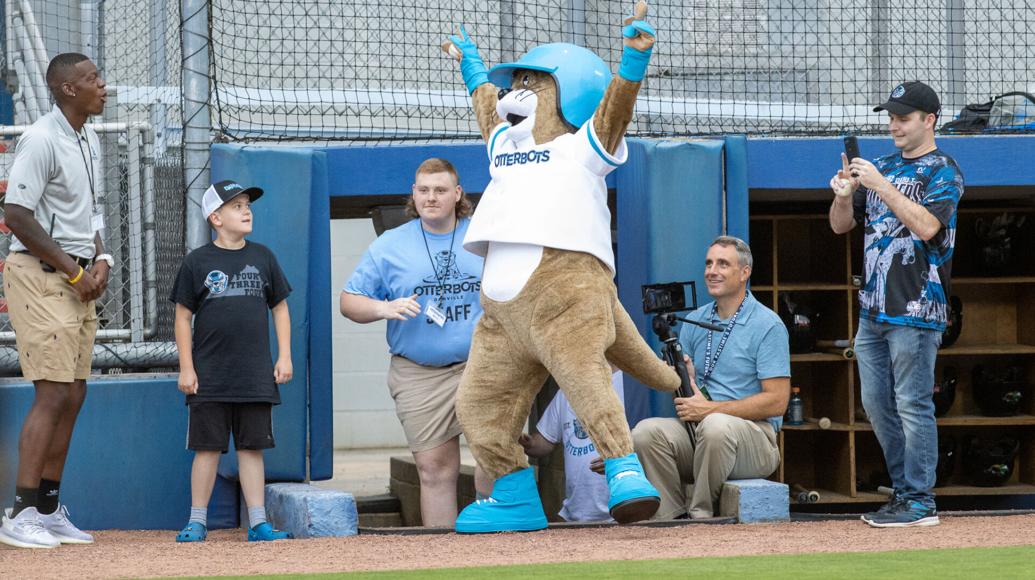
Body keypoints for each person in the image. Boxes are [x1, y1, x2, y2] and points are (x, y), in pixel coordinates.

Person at [829, 81, 963, 528]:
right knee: (876, 404)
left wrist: (882, 185)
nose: (894, 126)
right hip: (873, 310)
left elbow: (928, 228)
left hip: (918, 309)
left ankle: (920, 500)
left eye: (903, 118)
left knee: (912, 403)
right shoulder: (880, 166)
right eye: (891, 117)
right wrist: (843, 194)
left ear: (929, 120)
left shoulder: (944, 170)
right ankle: (904, 492)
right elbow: (840, 227)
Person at [0, 53, 112, 549]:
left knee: (74, 393)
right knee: (52, 393)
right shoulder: (41, 138)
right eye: (92, 80)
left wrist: (103, 259)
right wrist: (73, 272)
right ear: (68, 89)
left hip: (77, 277)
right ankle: (20, 512)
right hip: (42, 275)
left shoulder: (87, 137)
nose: (103, 86)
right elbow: (16, 214)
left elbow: (93, 215)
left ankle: (46, 509)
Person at [339, 158, 489, 527]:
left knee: (495, 458)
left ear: (457, 194)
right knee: (435, 469)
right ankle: (445, 560)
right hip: (420, 373)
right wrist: (382, 307)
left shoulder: (484, 236)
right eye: (423, 190)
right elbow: (349, 301)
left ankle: (497, 552)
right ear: (414, 194)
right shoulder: (390, 245)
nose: (431, 197)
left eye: (440, 190)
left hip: (483, 366)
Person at [631, 236, 790, 520]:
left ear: (744, 273)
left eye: (723, 264)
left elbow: (777, 402)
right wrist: (686, 381)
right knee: (646, 432)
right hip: (703, 431)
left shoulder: (767, 324)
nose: (712, 270)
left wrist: (710, 409)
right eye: (708, 263)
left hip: (755, 440)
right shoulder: (694, 320)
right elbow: (690, 401)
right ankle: (669, 519)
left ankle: (701, 516)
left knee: (716, 426)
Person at [170, 180, 294, 542]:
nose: (246, 210)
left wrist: (284, 355)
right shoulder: (197, 262)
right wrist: (187, 367)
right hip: (210, 375)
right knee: (207, 448)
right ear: (215, 217)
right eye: (236, 205)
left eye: (247, 205)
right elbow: (182, 317)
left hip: (255, 374)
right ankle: (197, 521)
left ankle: (258, 523)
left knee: (251, 448)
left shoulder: (264, 257)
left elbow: (280, 308)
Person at [520, 370, 624, 523]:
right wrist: (528, 443)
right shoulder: (566, 391)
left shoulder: (629, 384)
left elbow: (645, 445)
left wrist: (618, 462)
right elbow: (544, 443)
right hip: (574, 515)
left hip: (623, 513)